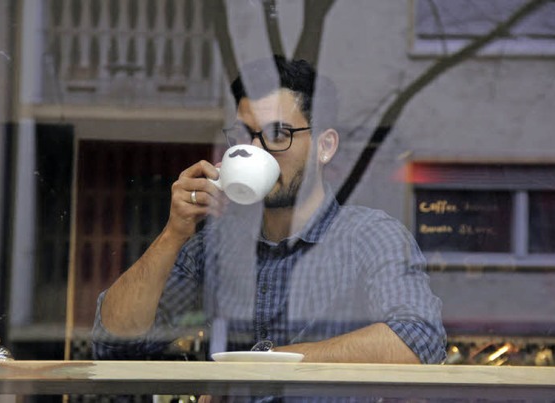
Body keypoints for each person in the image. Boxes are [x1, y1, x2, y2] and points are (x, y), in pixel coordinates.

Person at [92, 55, 446, 367]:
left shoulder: (369, 237)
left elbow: (420, 339)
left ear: (325, 146)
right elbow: (115, 345)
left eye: (278, 134)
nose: (255, 150)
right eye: (245, 135)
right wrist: (173, 233)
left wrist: (270, 363)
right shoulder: (216, 246)